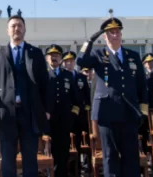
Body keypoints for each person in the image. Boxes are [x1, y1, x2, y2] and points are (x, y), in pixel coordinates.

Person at [76, 17, 147, 177]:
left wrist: (143, 110)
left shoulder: (133, 56)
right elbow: (80, 61)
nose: (115, 35)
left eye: (117, 32)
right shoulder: (98, 54)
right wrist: (89, 41)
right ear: (105, 36)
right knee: (110, 156)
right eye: (111, 33)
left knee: (131, 156)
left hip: (129, 112)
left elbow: (141, 84)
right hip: (107, 113)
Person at [0, 15, 49, 177]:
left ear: (25, 29)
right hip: (6, 114)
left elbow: (45, 84)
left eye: (20, 26)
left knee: (30, 160)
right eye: (13, 26)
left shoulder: (35, 53)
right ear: (8, 30)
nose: (17, 29)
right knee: (7, 160)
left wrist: (47, 109)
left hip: (30, 114)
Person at [45, 44, 80, 177]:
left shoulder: (68, 75)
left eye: (57, 55)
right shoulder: (43, 75)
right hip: (48, 122)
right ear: (47, 58)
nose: (54, 58)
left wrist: (72, 116)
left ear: (61, 58)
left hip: (65, 121)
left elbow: (76, 100)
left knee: (63, 152)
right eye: (51, 55)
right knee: (49, 152)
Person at [62, 51, 90, 173]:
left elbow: (87, 95)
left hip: (80, 116)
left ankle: (78, 168)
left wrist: (87, 109)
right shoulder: (61, 76)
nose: (69, 63)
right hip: (66, 115)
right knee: (66, 144)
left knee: (78, 142)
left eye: (71, 61)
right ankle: (68, 168)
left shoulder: (81, 77)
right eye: (67, 61)